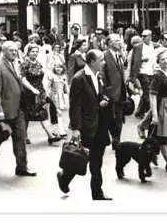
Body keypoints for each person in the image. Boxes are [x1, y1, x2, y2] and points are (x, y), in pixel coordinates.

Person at [56, 49, 113, 200]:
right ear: (92, 62)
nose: (104, 62)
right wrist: (76, 128)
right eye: (101, 60)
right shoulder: (79, 78)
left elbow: (100, 93)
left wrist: (104, 98)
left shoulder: (99, 75)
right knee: (81, 157)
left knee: (97, 159)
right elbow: (75, 106)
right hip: (87, 124)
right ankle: (65, 176)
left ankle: (97, 192)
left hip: (100, 123)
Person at [0, 41, 37, 177]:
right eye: (11, 50)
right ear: (4, 51)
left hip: (18, 108)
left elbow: (20, 80)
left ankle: (22, 167)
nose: (14, 53)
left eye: (16, 50)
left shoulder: (16, 63)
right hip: (4, 110)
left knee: (20, 138)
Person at [20, 45, 62, 145]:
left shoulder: (38, 63)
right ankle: (24, 136)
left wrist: (44, 91)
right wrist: (32, 89)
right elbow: (22, 79)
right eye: (32, 51)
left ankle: (51, 136)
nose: (34, 53)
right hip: (28, 93)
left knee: (42, 113)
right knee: (26, 114)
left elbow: (41, 78)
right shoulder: (24, 63)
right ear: (28, 52)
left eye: (36, 51)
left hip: (40, 91)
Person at [102, 34, 127, 150]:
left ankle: (117, 140)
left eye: (120, 40)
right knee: (110, 118)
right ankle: (113, 139)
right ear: (110, 43)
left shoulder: (119, 55)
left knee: (119, 118)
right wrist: (106, 91)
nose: (119, 43)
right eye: (117, 41)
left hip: (120, 92)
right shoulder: (104, 56)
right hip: (111, 93)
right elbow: (102, 76)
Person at [129, 29, 155, 118]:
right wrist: (132, 77)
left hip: (152, 72)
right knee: (147, 93)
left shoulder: (154, 46)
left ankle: (139, 111)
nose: (143, 37)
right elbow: (133, 62)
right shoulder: (138, 47)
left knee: (146, 93)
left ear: (150, 37)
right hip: (142, 72)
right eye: (142, 36)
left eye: (145, 36)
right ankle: (149, 114)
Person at [44, 62, 69, 137]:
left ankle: (63, 129)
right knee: (57, 113)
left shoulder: (64, 77)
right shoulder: (53, 77)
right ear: (54, 68)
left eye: (60, 67)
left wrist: (67, 92)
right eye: (57, 67)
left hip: (62, 97)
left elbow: (66, 88)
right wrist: (47, 94)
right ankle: (59, 131)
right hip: (55, 97)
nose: (58, 69)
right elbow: (48, 86)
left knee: (63, 113)